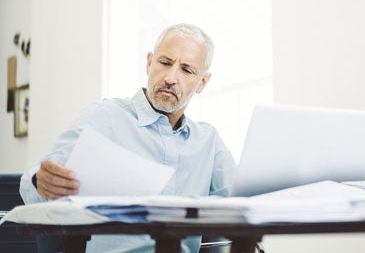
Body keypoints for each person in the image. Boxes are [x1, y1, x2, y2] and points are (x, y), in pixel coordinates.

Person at [19, 23, 237, 253]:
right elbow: (33, 185)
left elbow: (245, 203)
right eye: (165, 63)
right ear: (149, 62)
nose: (171, 77)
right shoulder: (105, 117)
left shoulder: (208, 141)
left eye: (186, 70)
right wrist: (41, 181)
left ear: (202, 82)